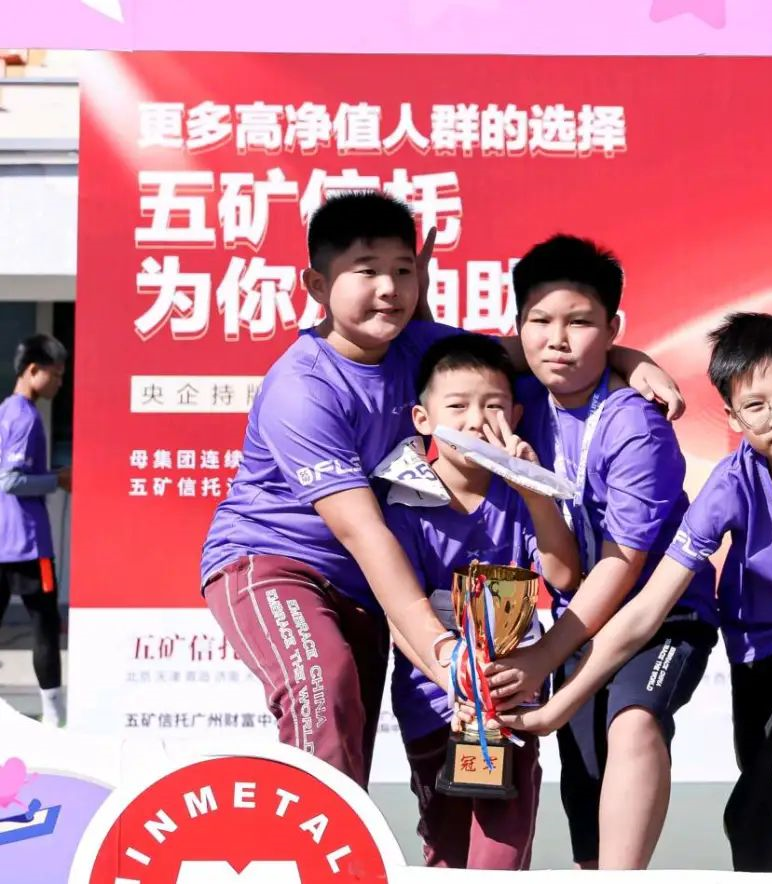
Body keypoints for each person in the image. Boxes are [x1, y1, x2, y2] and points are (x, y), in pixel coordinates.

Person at [199, 191, 685, 787]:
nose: (389, 289)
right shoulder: (302, 388)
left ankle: (344, 840)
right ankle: (305, 843)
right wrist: (444, 652)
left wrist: (634, 361)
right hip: (275, 562)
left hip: (364, 583)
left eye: (403, 271)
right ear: (317, 285)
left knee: (347, 733)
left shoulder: (422, 348)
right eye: (367, 271)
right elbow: (364, 531)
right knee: (323, 692)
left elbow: (544, 352)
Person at [502, 312, 772, 876]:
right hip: (765, 646)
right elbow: (646, 610)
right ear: (733, 418)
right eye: (756, 405)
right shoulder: (729, 484)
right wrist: (559, 705)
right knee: (767, 807)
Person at [484, 235, 720, 870]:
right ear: (518, 327)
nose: (558, 340)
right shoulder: (514, 396)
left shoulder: (637, 425)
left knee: (635, 719)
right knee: (586, 782)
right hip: (573, 614)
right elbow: (442, 362)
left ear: (613, 328)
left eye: (581, 323)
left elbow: (621, 566)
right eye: (540, 321)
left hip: (661, 615)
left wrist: (543, 656)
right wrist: (630, 356)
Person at [385, 333, 579, 870]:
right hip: (433, 704)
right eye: (457, 407)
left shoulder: (521, 497)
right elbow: (399, 613)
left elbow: (565, 576)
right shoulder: (401, 504)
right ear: (423, 419)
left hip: (512, 702)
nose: (475, 422)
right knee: (446, 853)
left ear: (515, 417)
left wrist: (534, 490)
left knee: (501, 855)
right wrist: (454, 678)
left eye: (493, 407)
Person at [0, 334, 70, 728]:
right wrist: (58, 479)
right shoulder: (26, 418)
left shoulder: (5, 411)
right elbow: (10, 480)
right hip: (28, 543)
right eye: (55, 375)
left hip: (4, 540)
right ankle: (54, 718)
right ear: (32, 370)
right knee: (45, 627)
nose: (59, 383)